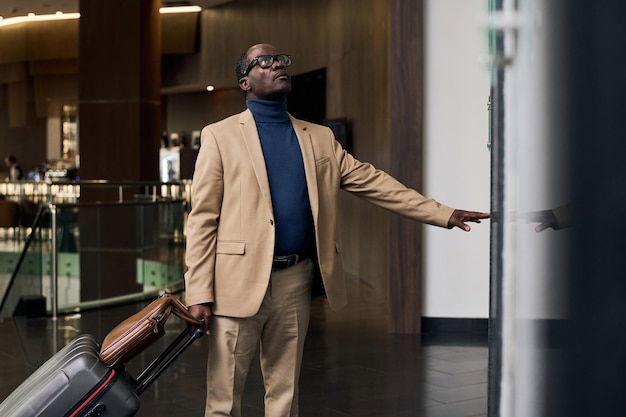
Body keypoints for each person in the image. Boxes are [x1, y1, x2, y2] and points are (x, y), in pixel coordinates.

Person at [184, 43, 490, 417]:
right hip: (234, 282)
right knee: (223, 399)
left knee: (284, 396)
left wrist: (443, 213)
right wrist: (198, 291)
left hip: (293, 281)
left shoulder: (319, 138)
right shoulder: (219, 136)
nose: (277, 63)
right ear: (245, 81)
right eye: (264, 61)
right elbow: (202, 220)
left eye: (281, 59)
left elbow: (375, 183)